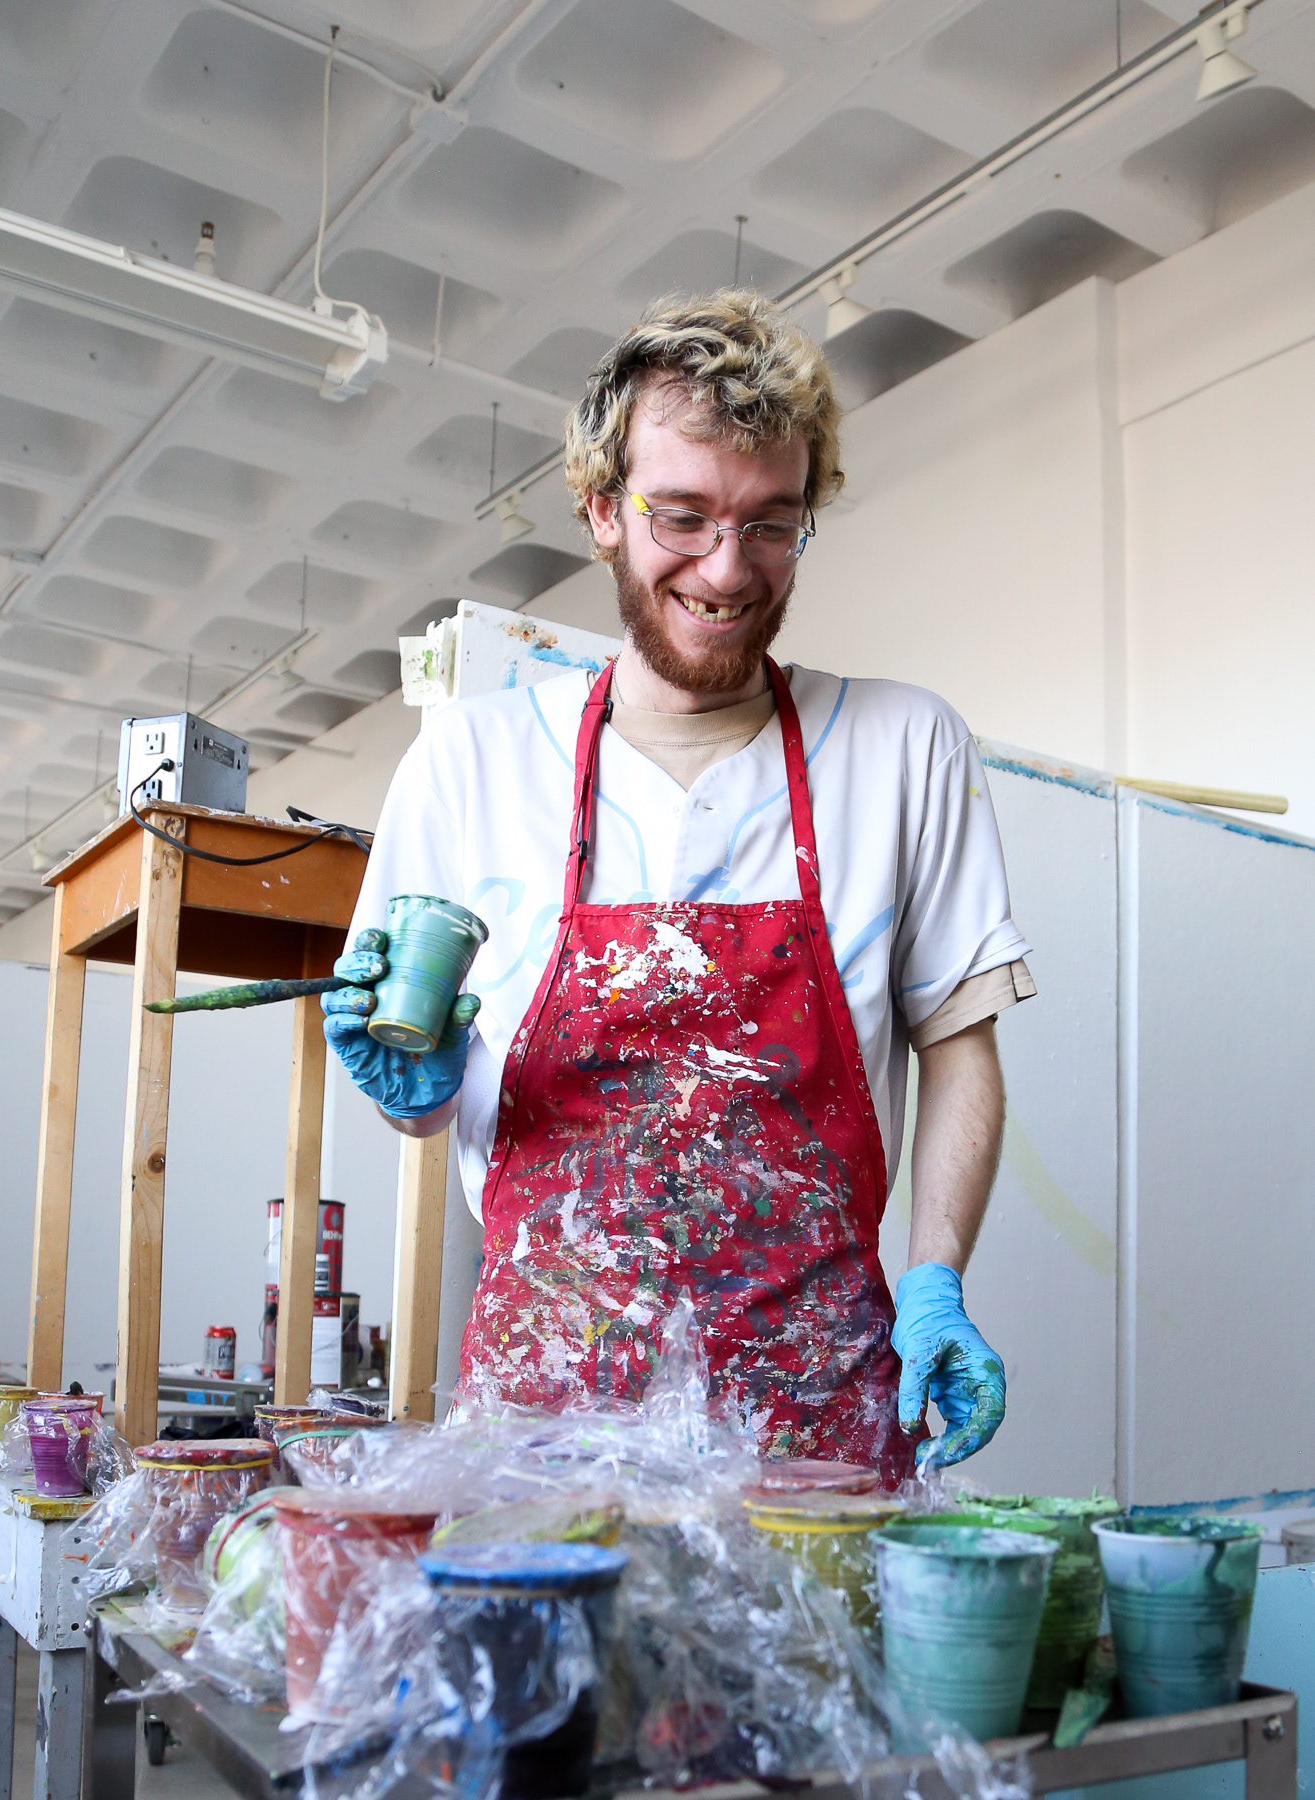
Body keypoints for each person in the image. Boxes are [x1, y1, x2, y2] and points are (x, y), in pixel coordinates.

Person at [325, 291, 1034, 1485]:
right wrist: (414, 1082)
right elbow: (418, 1107)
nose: (726, 568)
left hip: (813, 1420)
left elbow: (958, 1048)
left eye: (770, 523)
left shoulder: (904, 747)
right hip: (546, 1428)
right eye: (683, 516)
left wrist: (935, 1280)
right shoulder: (471, 761)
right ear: (602, 509)